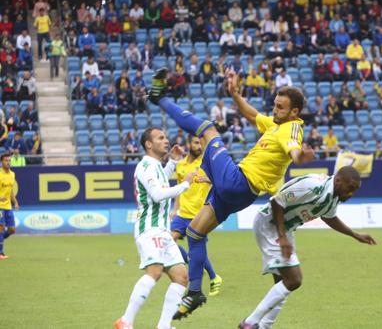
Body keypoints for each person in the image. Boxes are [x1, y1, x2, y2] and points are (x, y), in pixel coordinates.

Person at [147, 68, 315, 318]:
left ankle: (159, 98)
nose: (275, 111)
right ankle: (194, 292)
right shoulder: (276, 125)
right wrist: (235, 94)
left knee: (207, 129)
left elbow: (294, 150)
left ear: (294, 112)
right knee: (194, 233)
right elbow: (251, 114)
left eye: (281, 108)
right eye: (275, 105)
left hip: (238, 181)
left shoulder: (291, 129)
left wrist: (300, 156)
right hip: (241, 193)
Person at [239, 167, 376, 328]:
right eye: (349, 188)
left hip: (285, 230)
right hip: (269, 224)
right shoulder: (313, 185)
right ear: (338, 180)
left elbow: (329, 217)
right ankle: (249, 323)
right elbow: (277, 201)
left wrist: (355, 234)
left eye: (354, 190)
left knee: (283, 283)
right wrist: (282, 237)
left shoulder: (333, 196)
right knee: (294, 279)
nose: (351, 194)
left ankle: (263, 326)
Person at [115, 128, 196, 329]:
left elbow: (161, 179)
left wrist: (173, 163)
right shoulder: (146, 166)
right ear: (149, 144)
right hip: (149, 229)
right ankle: (125, 321)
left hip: (162, 230)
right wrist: (185, 184)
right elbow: (158, 194)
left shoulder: (156, 166)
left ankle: (164, 326)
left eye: (166, 137)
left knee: (181, 276)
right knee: (155, 271)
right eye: (161, 138)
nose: (166, 141)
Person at [170, 134, 223, 298]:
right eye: (195, 142)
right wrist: (174, 208)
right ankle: (192, 261)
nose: (199, 146)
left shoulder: (207, 163)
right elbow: (180, 188)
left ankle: (214, 277)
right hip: (182, 213)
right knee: (168, 241)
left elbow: (221, 182)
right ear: (188, 144)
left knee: (197, 252)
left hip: (200, 215)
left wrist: (208, 179)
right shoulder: (181, 165)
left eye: (201, 143)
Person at [0, 153, 19, 259]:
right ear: (2, 162)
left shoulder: (12, 174)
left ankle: (0, 238)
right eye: (6, 160)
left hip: (8, 206)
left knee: (12, 230)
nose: (8, 162)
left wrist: (15, 201)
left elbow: (11, 190)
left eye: (9, 160)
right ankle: (1, 252)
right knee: (1, 228)